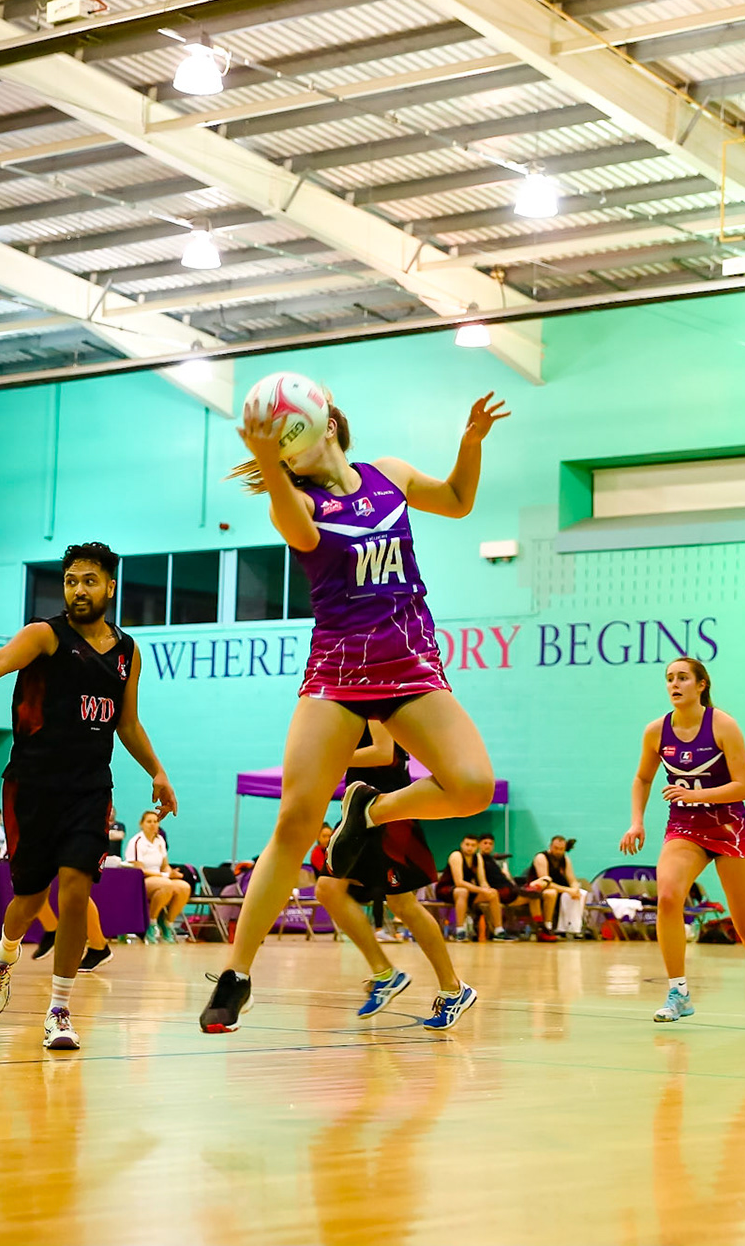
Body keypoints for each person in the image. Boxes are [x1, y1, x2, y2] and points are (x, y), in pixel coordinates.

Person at [203, 390, 506, 1035]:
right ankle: (237, 975)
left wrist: (471, 444)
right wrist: (266, 457)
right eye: (276, 445)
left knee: (473, 786)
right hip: (338, 672)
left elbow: (457, 500)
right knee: (293, 820)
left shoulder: (389, 474)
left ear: (326, 421)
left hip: (411, 662)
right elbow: (295, 525)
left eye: (289, 434)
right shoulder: (303, 503)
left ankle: (374, 809)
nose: (286, 448)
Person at [0, 541, 176, 1051]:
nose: (79, 590)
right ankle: (5, 954)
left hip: (89, 786)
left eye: (89, 580)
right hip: (32, 785)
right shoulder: (45, 634)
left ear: (110, 586)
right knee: (31, 898)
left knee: (77, 889)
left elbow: (127, 722)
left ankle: (59, 1009)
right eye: (71, 581)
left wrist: (158, 771)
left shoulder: (127, 651)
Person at [622, 657, 745, 1029]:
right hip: (685, 828)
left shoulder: (723, 725)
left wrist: (695, 794)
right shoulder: (656, 731)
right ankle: (679, 993)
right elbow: (643, 778)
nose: (674, 684)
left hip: (730, 828)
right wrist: (637, 821)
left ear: (701, 685)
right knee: (669, 896)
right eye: (669, 679)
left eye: (682, 678)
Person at [315, 720, 475, 1027]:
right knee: (328, 889)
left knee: (403, 905)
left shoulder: (375, 705)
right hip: (361, 813)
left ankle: (454, 989)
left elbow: (383, 752)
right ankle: (385, 973)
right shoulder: (351, 712)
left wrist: (331, 756)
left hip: (389, 810)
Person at [125, 810, 191, 941]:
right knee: (166, 884)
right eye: (149, 821)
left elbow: (165, 864)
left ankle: (168, 923)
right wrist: (162, 875)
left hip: (161, 878)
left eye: (155, 822)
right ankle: (151, 922)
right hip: (141, 880)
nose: (153, 824)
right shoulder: (137, 841)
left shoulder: (160, 840)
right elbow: (139, 869)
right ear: (141, 824)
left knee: (184, 887)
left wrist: (170, 872)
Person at [443, 833, 504, 941]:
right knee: (462, 891)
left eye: (472, 845)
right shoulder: (456, 855)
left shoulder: (477, 858)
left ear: (477, 847)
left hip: (468, 890)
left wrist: (487, 890)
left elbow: (482, 880)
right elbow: (459, 882)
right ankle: (460, 930)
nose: (470, 848)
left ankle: (498, 931)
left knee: (493, 893)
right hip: (447, 889)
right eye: (467, 844)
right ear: (462, 845)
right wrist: (481, 890)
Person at [528, 835, 586, 941]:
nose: (558, 852)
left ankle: (574, 928)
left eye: (561, 849)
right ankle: (548, 926)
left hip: (559, 888)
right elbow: (545, 882)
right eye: (556, 848)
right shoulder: (541, 857)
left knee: (581, 893)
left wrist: (575, 889)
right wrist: (568, 890)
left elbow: (572, 879)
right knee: (552, 892)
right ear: (550, 846)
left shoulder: (565, 859)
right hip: (538, 889)